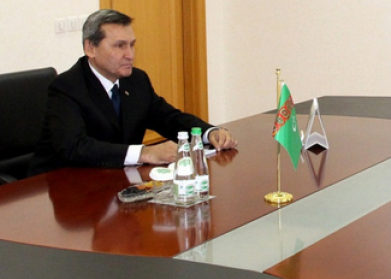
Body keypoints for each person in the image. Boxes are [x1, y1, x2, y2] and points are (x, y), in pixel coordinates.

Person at [29, 9, 236, 176]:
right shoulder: (66, 87)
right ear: (90, 48)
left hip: (115, 180)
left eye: (132, 45)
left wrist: (208, 133)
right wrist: (145, 153)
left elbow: (168, 118)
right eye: (119, 46)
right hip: (59, 189)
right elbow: (76, 147)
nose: (130, 55)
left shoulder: (136, 80)